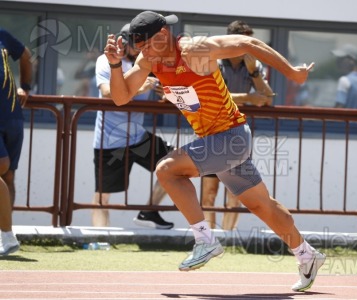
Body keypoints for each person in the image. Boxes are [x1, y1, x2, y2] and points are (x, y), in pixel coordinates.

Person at [104, 11, 326, 292]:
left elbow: (250, 45)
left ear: (162, 36)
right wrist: (114, 66)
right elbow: (121, 98)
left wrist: (293, 73)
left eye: (147, 46)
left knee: (166, 170)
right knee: (262, 205)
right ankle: (307, 255)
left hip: (231, 138)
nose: (144, 53)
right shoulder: (148, 60)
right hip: (217, 142)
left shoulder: (196, 49)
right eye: (140, 49)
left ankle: (204, 240)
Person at [92, 23, 174, 229]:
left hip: (138, 137)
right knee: (103, 195)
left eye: (144, 44)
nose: (142, 48)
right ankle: (99, 238)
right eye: (137, 44)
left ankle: (149, 211)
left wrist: (166, 94)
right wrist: (139, 88)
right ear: (124, 44)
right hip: (110, 140)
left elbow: (168, 84)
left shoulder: (148, 61)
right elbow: (107, 93)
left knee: (175, 165)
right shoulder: (106, 60)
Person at [202, 20, 275, 230]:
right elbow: (212, 96)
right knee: (209, 192)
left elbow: (268, 98)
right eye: (245, 41)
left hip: (237, 136)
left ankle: (227, 238)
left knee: (236, 193)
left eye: (251, 42)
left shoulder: (253, 64)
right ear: (233, 41)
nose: (249, 46)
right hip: (211, 133)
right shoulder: (213, 60)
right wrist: (248, 98)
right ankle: (209, 239)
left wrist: (254, 73)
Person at [0, 28, 32, 255]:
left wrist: (26, 86)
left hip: (12, 115)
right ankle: (6, 235)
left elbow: (26, 56)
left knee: (8, 175)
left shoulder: (3, 35)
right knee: (2, 168)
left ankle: (4, 234)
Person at [332, 44, 357, 109]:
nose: (337, 61)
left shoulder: (344, 80)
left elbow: (338, 109)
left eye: (341, 59)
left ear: (352, 60)